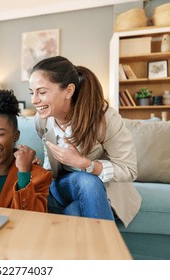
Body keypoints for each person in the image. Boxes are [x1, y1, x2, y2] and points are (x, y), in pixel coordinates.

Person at [29, 55, 141, 227]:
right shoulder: (42, 120)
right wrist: (36, 169)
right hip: (63, 186)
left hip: (99, 191)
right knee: (86, 182)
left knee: (76, 207)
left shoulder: (104, 118)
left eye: (42, 92)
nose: (34, 100)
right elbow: (50, 164)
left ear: (68, 90)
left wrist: (86, 164)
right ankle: (111, 251)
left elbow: (129, 169)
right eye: (32, 92)